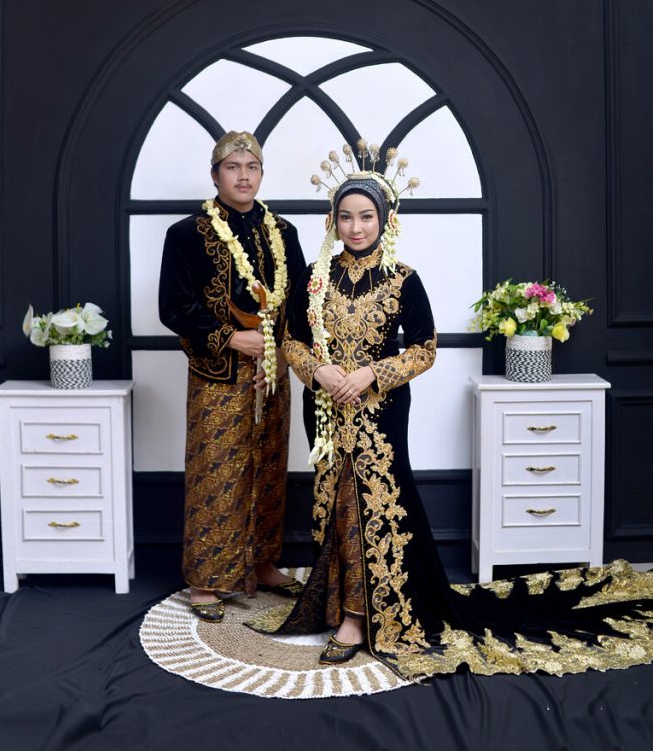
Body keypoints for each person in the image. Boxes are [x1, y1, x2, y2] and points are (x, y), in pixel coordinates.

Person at [251, 141, 653, 680]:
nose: (356, 227)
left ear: (385, 219)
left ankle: (357, 617)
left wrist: (372, 374)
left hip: (380, 412)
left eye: (366, 216)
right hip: (324, 411)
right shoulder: (313, 279)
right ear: (332, 220)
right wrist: (318, 371)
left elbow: (424, 348)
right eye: (346, 217)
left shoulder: (403, 279)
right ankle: (338, 601)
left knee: (370, 503)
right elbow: (291, 341)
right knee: (333, 500)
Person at [159, 130, 306, 622]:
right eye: (233, 167)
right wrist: (230, 338)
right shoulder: (187, 234)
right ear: (215, 175)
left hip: (271, 372)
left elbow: (298, 304)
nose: (244, 176)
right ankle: (205, 579)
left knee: (269, 466)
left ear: (261, 174)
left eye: (252, 167)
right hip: (217, 374)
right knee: (217, 470)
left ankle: (261, 563)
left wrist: (281, 356)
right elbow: (173, 307)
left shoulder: (283, 231)